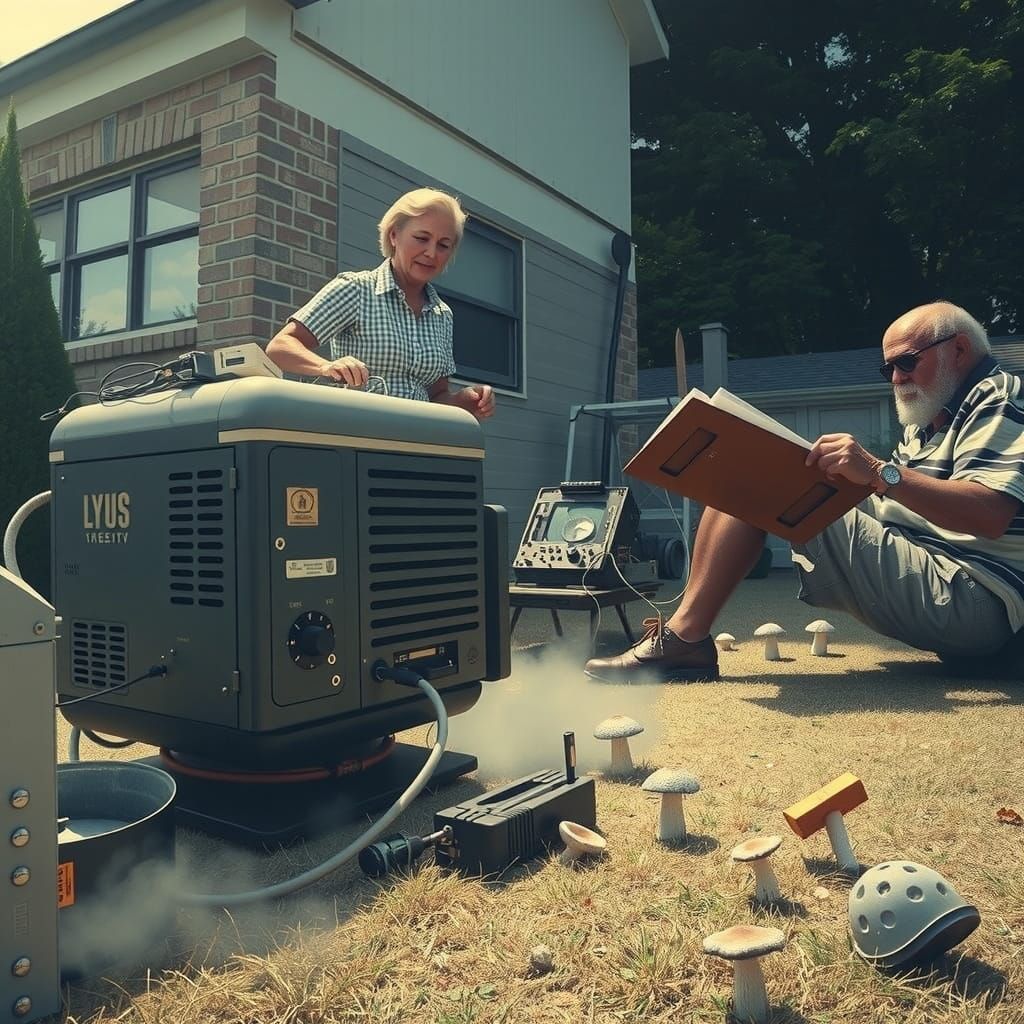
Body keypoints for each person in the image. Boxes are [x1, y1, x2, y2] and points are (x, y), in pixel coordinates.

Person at [585, 301, 1024, 682]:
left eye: (906, 362)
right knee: (750, 474)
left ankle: (684, 640)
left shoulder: (996, 395)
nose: (894, 377)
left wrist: (875, 471)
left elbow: (990, 514)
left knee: (765, 480)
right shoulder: (928, 421)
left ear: (960, 350)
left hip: (975, 601)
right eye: (886, 367)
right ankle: (684, 635)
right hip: (939, 579)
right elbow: (899, 504)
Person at [265, 187, 495, 420]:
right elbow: (280, 347)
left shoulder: (443, 314)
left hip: (421, 442)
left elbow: (436, 396)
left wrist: (463, 400)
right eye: (422, 238)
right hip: (360, 437)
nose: (431, 253)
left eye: (443, 245)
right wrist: (326, 366)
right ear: (394, 235)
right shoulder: (356, 289)